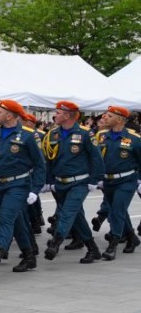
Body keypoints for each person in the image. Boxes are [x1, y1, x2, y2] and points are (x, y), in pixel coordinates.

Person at [0, 99, 46, 274]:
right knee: (16, 222)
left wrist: (35, 189)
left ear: (9, 115)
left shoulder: (27, 135)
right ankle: (29, 256)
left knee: (6, 217)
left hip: (18, 185)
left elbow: (40, 164)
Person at [40, 101, 103, 261]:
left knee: (67, 213)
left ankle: (55, 242)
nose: (55, 115)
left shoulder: (85, 133)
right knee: (77, 217)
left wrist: (94, 179)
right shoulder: (53, 134)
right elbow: (48, 159)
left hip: (79, 182)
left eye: (58, 112)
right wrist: (48, 181)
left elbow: (96, 158)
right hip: (60, 183)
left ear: (67, 115)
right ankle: (93, 249)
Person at [94, 106, 140, 261]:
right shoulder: (101, 136)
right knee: (119, 210)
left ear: (119, 119)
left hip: (126, 181)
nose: (104, 118)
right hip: (108, 181)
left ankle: (112, 245)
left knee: (116, 212)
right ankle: (132, 238)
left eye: (109, 116)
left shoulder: (134, 139)